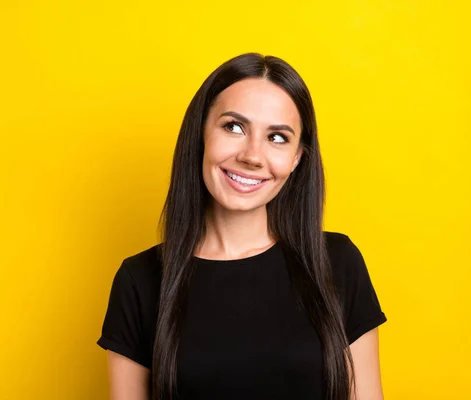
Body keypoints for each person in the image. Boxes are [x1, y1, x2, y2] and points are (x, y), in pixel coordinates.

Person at [97, 52, 387, 400]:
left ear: (296, 158)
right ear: (201, 134)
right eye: (233, 127)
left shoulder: (338, 263)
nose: (252, 155)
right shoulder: (140, 280)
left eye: (277, 137)